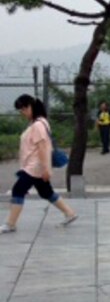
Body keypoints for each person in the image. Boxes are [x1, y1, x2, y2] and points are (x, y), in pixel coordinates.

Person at [1, 95, 78, 234]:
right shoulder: (40, 122)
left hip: (34, 166)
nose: (22, 113)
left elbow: (44, 148)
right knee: (45, 191)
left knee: (18, 190)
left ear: (30, 107)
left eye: (23, 109)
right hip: (34, 166)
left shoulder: (38, 125)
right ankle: (70, 213)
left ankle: (10, 224)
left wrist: (47, 169)